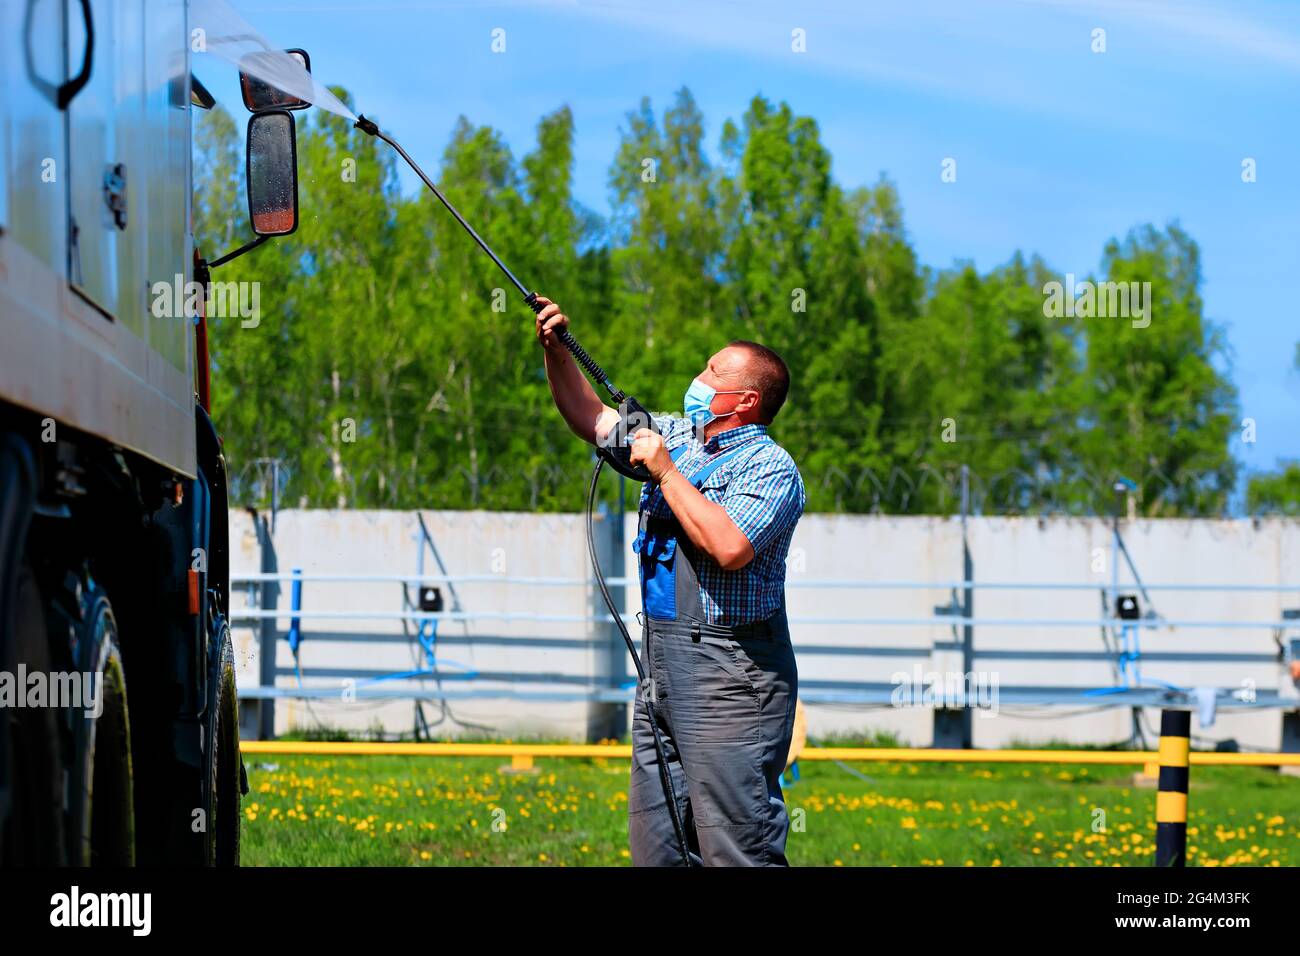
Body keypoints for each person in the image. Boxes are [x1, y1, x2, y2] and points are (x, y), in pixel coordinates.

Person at [534, 295, 805, 866]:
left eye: (714, 372)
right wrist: (558, 350)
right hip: (661, 667)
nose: (699, 378)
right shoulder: (676, 435)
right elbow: (591, 417)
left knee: (737, 845)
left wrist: (665, 471)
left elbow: (728, 546)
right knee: (658, 848)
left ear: (747, 399)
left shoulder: (769, 467)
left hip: (731, 679)